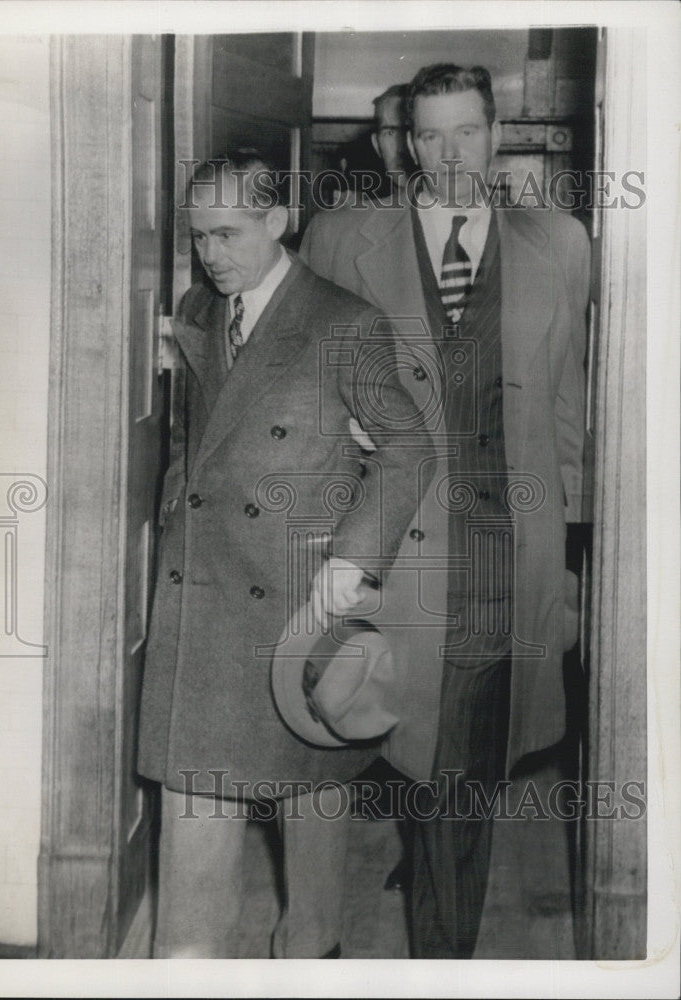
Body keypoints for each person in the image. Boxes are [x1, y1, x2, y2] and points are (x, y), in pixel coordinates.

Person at [300, 63, 589, 958]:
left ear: (495, 133)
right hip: (391, 543)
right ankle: (424, 852)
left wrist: (571, 546)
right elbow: (299, 375)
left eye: (466, 131)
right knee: (392, 731)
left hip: (509, 550)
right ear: (403, 142)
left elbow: (565, 404)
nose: (449, 153)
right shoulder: (344, 239)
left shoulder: (560, 243)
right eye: (429, 135)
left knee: (464, 749)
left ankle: (440, 953)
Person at [137, 149, 433, 958]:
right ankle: (185, 966)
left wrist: (352, 562)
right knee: (196, 793)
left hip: (299, 593)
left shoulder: (345, 322)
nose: (212, 254)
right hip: (202, 588)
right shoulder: (203, 306)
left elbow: (409, 449)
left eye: (228, 233)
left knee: (312, 788)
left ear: (278, 221)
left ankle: (311, 949)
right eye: (200, 237)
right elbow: (197, 443)